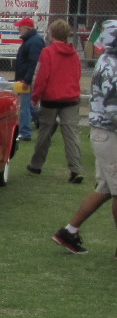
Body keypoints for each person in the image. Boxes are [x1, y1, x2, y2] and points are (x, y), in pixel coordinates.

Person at [50, 19, 117, 255]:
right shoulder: (111, 67)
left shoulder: (107, 61)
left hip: (104, 133)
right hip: (109, 133)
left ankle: (68, 232)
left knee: (105, 189)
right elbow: (113, 109)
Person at [29, 19, 85, 182]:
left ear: (52, 34)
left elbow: (41, 77)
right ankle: (76, 169)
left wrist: (35, 96)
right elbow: (78, 74)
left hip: (51, 98)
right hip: (71, 98)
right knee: (71, 134)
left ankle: (36, 164)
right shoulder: (74, 54)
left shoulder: (47, 52)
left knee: (45, 133)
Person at [13, 17, 46, 142]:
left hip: (28, 79)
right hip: (26, 78)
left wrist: (27, 80)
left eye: (20, 27)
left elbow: (34, 63)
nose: (19, 29)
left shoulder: (34, 41)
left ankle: (25, 132)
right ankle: (42, 118)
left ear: (26, 28)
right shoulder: (32, 40)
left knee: (24, 107)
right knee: (27, 106)